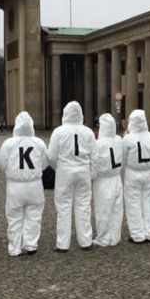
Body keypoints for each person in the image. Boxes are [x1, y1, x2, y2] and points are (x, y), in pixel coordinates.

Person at [47, 101, 97, 252]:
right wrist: (92, 174)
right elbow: (95, 157)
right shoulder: (88, 132)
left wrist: (58, 168)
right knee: (84, 206)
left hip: (65, 172)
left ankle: (63, 244)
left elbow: (51, 155)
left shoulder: (58, 132)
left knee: (63, 207)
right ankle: (86, 241)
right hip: (83, 172)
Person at [0, 111, 48, 256]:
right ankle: (31, 244)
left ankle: (14, 247)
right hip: (35, 184)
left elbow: (1, 164)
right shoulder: (39, 143)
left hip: (15, 185)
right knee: (34, 215)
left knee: (14, 216)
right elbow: (45, 163)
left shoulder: (8, 143)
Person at [123, 109, 150, 244]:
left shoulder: (127, 138)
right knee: (148, 203)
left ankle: (137, 234)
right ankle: (149, 232)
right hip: (148, 172)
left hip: (132, 172)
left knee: (133, 204)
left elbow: (123, 158)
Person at [93, 113, 124, 247]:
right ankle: (115, 236)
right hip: (117, 178)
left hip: (103, 180)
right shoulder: (118, 140)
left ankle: (104, 238)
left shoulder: (98, 144)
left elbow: (94, 163)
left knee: (103, 210)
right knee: (117, 210)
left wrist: (92, 177)